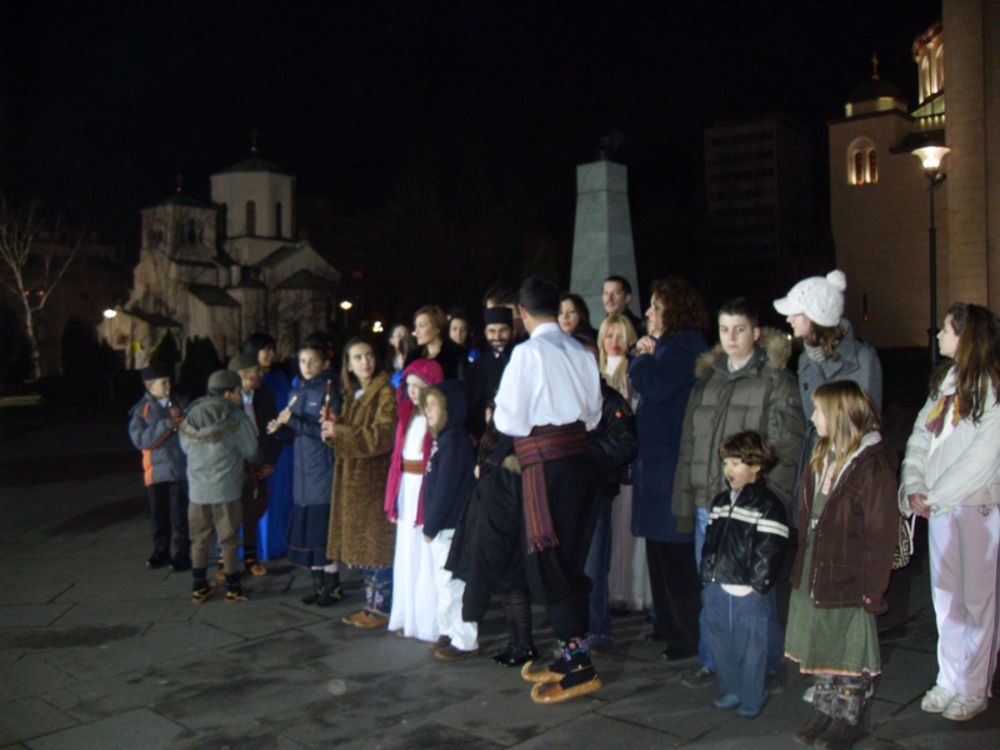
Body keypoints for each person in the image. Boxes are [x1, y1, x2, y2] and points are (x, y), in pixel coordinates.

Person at [673, 297, 804, 688]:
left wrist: (771, 500)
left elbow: (787, 444)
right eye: (725, 329)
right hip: (707, 504)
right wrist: (686, 497)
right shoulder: (708, 378)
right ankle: (712, 661)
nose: (731, 338)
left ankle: (765, 664)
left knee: (752, 588)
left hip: (751, 506)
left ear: (756, 332)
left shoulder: (777, 380)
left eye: (740, 329)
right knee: (712, 586)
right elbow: (690, 442)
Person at [494, 273, 603, 704]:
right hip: (580, 462)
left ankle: (579, 665)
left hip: (547, 467)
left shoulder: (527, 354)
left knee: (551, 563)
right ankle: (569, 653)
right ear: (558, 308)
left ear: (521, 312)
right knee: (570, 558)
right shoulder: (580, 350)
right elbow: (594, 414)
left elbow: (509, 420)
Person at [785, 381, 899, 748]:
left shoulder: (871, 466)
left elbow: (881, 534)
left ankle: (848, 715)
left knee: (848, 648)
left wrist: (871, 589)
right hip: (818, 568)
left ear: (838, 415)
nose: (813, 416)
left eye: (819, 410)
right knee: (820, 641)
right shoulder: (823, 454)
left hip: (849, 573)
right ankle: (825, 709)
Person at [901, 303, 1000, 723]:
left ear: (966, 336)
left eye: (945, 328)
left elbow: (984, 456)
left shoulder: (991, 387)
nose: (938, 334)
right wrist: (914, 486)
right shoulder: (944, 383)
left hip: (976, 506)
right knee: (945, 600)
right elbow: (921, 438)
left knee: (978, 602)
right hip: (940, 508)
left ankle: (975, 687)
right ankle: (949, 677)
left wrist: (937, 493)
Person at [628, 277, 709, 662]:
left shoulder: (687, 344)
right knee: (658, 550)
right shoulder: (670, 346)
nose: (647, 313)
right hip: (656, 465)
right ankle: (665, 623)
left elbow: (657, 387)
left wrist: (641, 359)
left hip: (672, 467)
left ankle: (686, 634)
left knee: (675, 554)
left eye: (655, 307)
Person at [699, 431, 789, 718]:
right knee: (721, 638)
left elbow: (770, 550)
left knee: (751, 645)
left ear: (756, 466)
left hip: (747, 589)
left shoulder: (768, 505)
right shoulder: (721, 501)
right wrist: (708, 575)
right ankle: (732, 688)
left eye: (737, 463)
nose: (729, 470)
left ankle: (752, 694)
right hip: (718, 584)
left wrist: (757, 584)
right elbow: (711, 542)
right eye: (726, 463)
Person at [773, 270, 882, 489]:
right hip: (815, 465)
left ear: (815, 318)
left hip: (850, 472)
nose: (789, 319)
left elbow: (866, 424)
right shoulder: (805, 360)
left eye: (796, 313)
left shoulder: (863, 360)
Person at [321, 337, 399, 628]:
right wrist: (334, 429)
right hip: (358, 482)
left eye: (368, 355)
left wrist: (339, 431)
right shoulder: (358, 393)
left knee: (377, 545)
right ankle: (370, 605)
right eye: (358, 358)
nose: (365, 362)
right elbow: (354, 435)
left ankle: (382, 608)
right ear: (349, 366)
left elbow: (382, 435)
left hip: (374, 481)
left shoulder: (384, 392)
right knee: (366, 548)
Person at [267, 334, 343, 605]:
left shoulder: (330, 390)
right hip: (302, 478)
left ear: (324, 364)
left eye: (313, 361)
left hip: (321, 472)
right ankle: (318, 584)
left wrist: (296, 423)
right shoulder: (295, 390)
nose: (307, 366)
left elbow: (326, 433)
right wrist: (279, 430)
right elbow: (294, 433)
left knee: (323, 535)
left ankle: (333, 585)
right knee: (308, 534)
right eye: (302, 361)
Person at [579, 331, 639, 654]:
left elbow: (626, 443)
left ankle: (598, 630)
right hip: (565, 495)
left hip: (598, 491)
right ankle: (572, 631)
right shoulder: (560, 397)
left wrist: (588, 450)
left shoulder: (612, 400)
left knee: (594, 565)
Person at [179, 369, 258, 603]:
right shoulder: (235, 416)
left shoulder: (190, 415)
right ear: (229, 393)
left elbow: (184, 447)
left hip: (197, 490)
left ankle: (199, 585)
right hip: (227, 489)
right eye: (236, 392)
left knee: (199, 538)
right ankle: (233, 587)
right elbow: (251, 451)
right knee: (229, 538)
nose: (239, 396)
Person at [384, 359, 445, 641]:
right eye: (408, 385)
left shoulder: (438, 420)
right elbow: (398, 459)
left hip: (425, 490)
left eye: (418, 386)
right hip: (407, 492)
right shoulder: (406, 416)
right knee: (407, 552)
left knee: (425, 558)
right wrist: (393, 497)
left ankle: (427, 622)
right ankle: (406, 615)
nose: (412, 391)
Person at [419, 382, 479, 660]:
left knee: (454, 584)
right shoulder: (443, 439)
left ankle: (464, 639)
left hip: (450, 527)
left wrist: (431, 525)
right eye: (426, 404)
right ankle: (448, 631)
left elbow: (446, 488)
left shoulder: (454, 441)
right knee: (442, 583)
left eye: (434, 404)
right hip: (442, 527)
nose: (427, 410)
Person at [597, 313, 650, 614]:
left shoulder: (634, 375)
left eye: (620, 336)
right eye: (609, 335)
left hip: (627, 465)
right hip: (604, 466)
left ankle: (631, 591)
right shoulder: (597, 373)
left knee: (627, 529)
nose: (614, 342)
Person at [128, 364, 190, 571]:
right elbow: (141, 440)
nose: (168, 386)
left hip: (180, 470)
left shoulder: (182, 403)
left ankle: (182, 554)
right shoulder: (141, 411)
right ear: (149, 387)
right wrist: (167, 425)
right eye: (163, 383)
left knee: (181, 516)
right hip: (155, 473)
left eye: (169, 382)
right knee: (159, 516)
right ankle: (161, 551)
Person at [224, 353, 280, 577]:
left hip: (258, 463)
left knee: (254, 510)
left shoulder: (264, 395)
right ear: (244, 375)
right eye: (256, 371)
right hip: (234, 465)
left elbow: (273, 431)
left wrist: (269, 461)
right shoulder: (228, 401)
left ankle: (251, 557)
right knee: (228, 515)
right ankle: (224, 562)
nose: (260, 374)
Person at [243, 332, 293, 560]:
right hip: (254, 446)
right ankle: (252, 547)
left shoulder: (279, 377)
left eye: (272, 350)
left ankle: (275, 542)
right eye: (266, 350)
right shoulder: (246, 382)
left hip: (279, 446)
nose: (271, 355)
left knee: (278, 495)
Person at [465, 305, 514, 442]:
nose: (497, 336)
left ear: (511, 331)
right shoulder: (477, 365)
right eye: (492, 331)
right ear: (485, 332)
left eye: (503, 330)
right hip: (483, 434)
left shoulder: (518, 359)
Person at [405, 305, 467, 380]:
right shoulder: (413, 357)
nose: (416, 332)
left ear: (437, 328)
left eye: (421, 326)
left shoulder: (456, 354)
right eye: (416, 327)